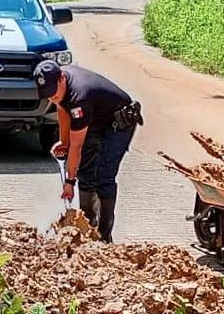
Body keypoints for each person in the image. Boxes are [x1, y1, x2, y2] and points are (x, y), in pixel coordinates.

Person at [33, 60, 143, 242]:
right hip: (95, 120)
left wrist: (69, 182)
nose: (51, 97)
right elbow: (62, 107)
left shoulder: (79, 97)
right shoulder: (60, 85)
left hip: (119, 122)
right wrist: (64, 141)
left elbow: (76, 147)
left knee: (103, 177)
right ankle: (87, 227)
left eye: (53, 92)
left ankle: (104, 236)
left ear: (62, 79)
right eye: (47, 95)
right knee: (85, 173)